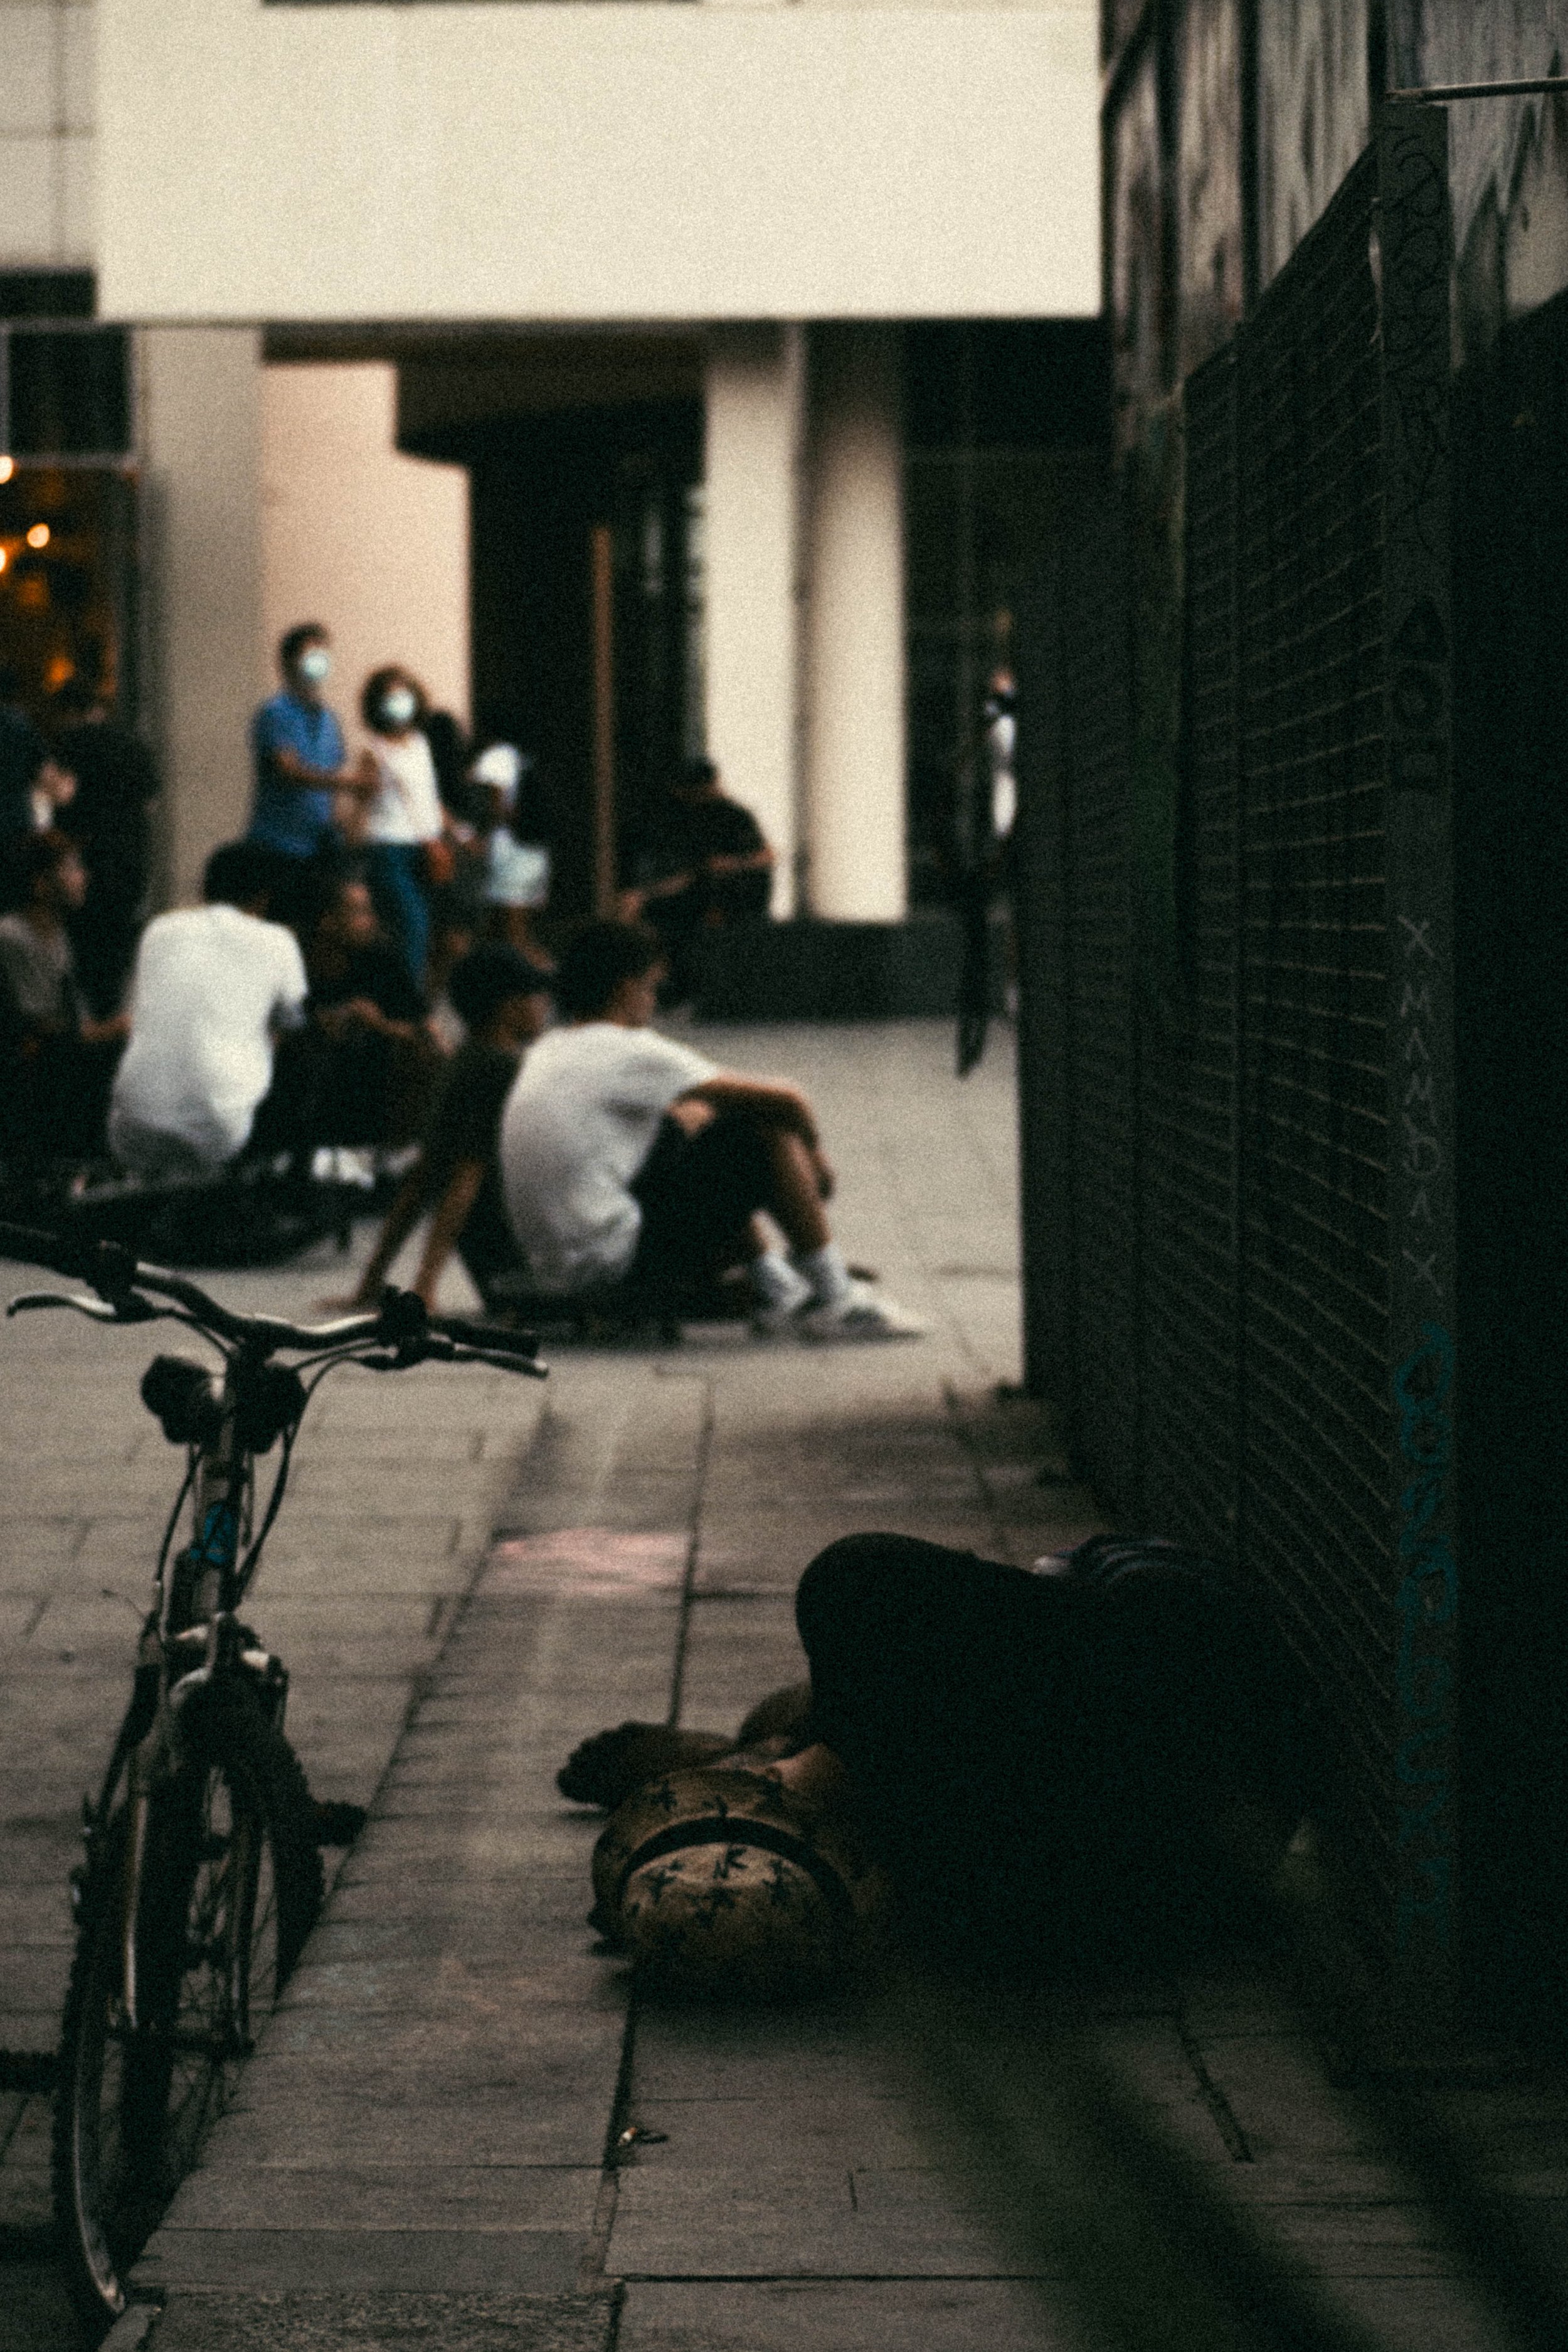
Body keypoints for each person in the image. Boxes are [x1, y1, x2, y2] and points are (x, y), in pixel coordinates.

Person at [563, 1532, 1316, 1985]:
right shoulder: (997, 1834)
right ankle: (777, 1744)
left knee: (824, 1703)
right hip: (1181, 1726)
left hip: (1175, 1806)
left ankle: (779, 1743)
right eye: (755, 1778)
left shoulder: (957, 1896)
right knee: (845, 1633)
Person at [499, 919, 923, 1338]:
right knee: (762, 1125)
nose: (653, 1003)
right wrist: (816, 1160)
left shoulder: (550, 1050)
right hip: (613, 1262)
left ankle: (777, 1286)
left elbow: (689, 1113)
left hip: (559, 1261)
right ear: (626, 989)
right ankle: (837, 1298)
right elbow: (787, 1098)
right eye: (652, 988)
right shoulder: (625, 1049)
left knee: (708, 1126)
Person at [339, 942, 551, 1312]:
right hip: (514, 1263)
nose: (545, 1008)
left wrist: (372, 1281)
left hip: (488, 1264)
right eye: (536, 996)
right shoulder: (501, 1069)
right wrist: (425, 1283)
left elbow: (423, 1176)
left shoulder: (462, 1060)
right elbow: (467, 1176)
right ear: (508, 1007)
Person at [108, 841, 309, 1179]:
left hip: (132, 1126)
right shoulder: (279, 941)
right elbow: (293, 1026)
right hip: (218, 1133)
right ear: (264, 897)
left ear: (205, 887)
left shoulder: (160, 929)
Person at [0, 830, 129, 1162]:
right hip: (31, 1074)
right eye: (71, 869)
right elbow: (41, 1027)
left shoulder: (58, 933)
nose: (82, 877)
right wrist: (111, 1029)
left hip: (57, 1059)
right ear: (41, 885)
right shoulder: (14, 937)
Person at [296, 875, 443, 1148]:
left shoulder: (384, 963)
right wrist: (315, 1025)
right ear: (328, 921)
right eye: (359, 913)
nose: (371, 921)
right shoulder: (295, 963)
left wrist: (379, 1024)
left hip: (371, 1101)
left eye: (369, 911)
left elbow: (432, 1040)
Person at [248, 624, 374, 929]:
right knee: (283, 926)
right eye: (310, 653)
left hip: (320, 845)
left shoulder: (329, 719)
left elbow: (334, 777)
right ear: (289, 661)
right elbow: (288, 770)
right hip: (279, 845)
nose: (319, 661)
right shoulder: (275, 713)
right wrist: (351, 782)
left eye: (323, 653)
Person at [49, 679, 160, 1020]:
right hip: (129, 856)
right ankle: (111, 1017)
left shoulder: (67, 743)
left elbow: (59, 796)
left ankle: (91, 1025)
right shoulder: (133, 744)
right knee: (119, 945)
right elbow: (151, 802)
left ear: (69, 712)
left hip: (86, 856)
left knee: (84, 946)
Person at [622, 756, 773, 1004]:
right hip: (695, 890)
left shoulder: (734, 816)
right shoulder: (681, 818)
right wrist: (643, 895)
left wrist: (732, 864)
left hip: (731, 894)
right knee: (648, 916)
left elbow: (765, 856)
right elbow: (687, 874)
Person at [358, 665, 450, 988]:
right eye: (391, 696)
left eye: (404, 694)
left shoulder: (420, 743)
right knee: (412, 925)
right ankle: (407, 999)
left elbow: (427, 796)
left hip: (423, 847)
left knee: (428, 930)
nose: (399, 702)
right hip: (387, 847)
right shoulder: (373, 748)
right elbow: (363, 798)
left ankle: (413, 993)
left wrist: (449, 833)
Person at [472, 741, 552, 963]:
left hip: (510, 848)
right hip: (535, 848)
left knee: (510, 931)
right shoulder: (528, 757)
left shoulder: (498, 755)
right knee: (523, 927)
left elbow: (496, 805)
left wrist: (479, 835)